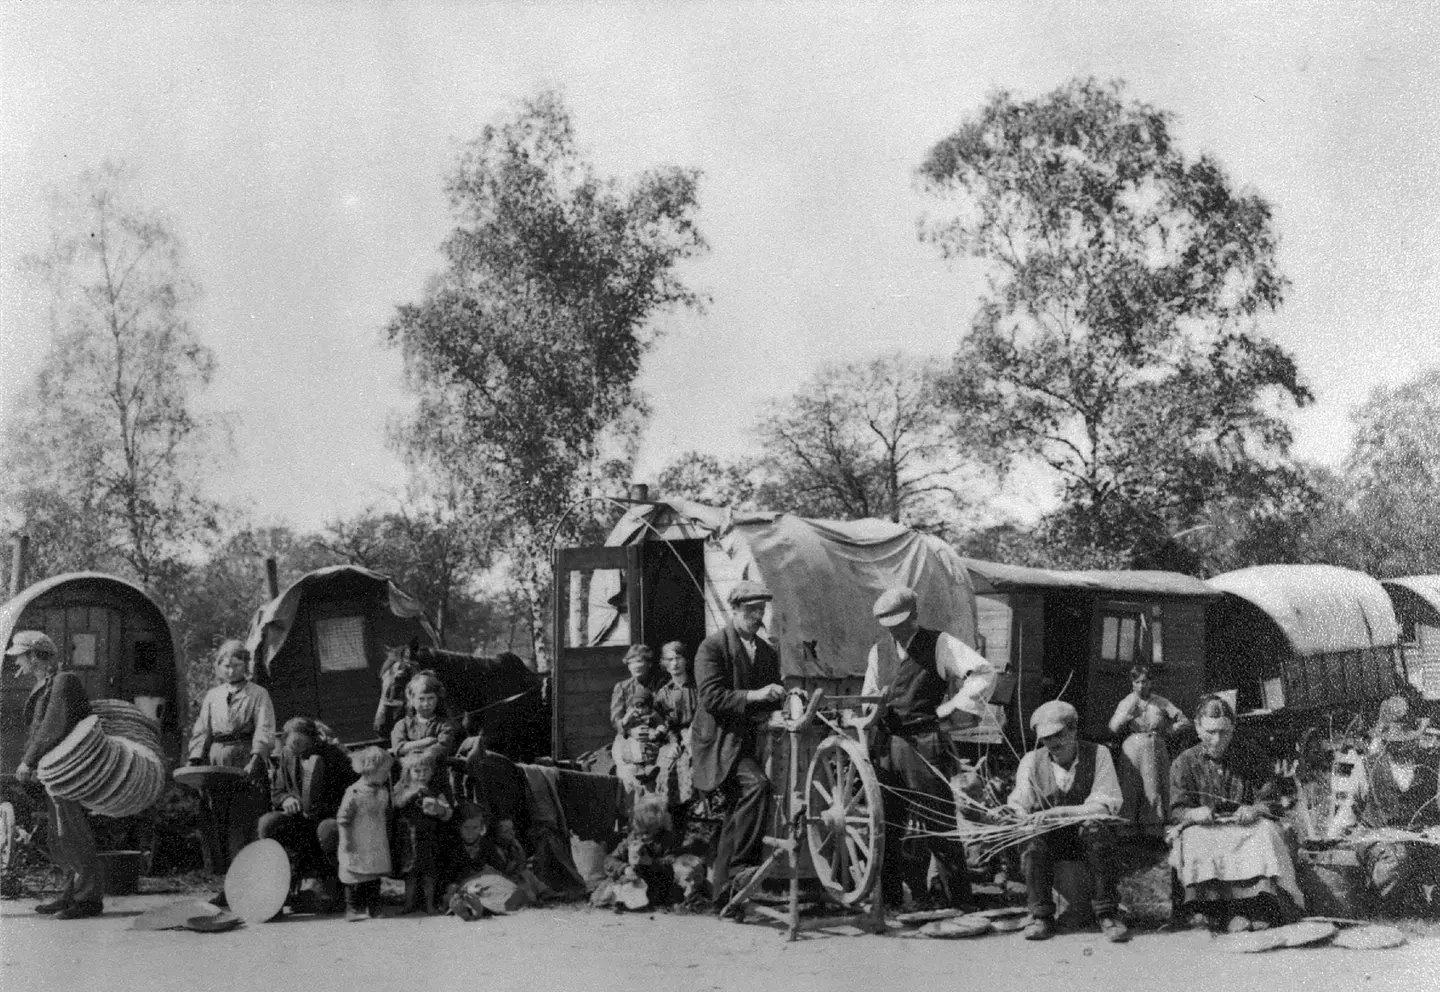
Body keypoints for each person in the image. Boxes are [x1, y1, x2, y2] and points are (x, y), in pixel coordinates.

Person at [863, 586, 995, 908]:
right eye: (889, 624)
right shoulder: (877, 652)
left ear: (915, 616)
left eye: (900, 622)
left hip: (923, 744)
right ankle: (891, 901)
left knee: (939, 823)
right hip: (884, 745)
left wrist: (952, 707)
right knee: (887, 826)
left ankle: (959, 902)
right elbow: (868, 698)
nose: (895, 629)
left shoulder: (940, 644)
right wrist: (872, 712)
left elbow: (983, 673)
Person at [1168, 695, 1302, 932]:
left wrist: (1255, 808)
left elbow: (1271, 801)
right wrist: (1194, 812)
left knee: (1265, 834)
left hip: (1246, 825)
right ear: (1198, 728)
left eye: (1224, 732)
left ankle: (1255, 907)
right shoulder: (1184, 762)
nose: (1217, 739)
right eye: (1210, 732)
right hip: (1205, 827)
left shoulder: (1252, 756)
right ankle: (1211, 911)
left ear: (1232, 729)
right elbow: (1177, 810)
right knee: (1195, 839)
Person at [693, 580, 785, 906]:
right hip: (719, 743)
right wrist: (755, 695)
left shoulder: (766, 651)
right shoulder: (712, 648)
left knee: (736, 814)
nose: (757, 616)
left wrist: (786, 697)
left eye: (761, 609)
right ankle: (742, 869)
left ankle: (725, 896)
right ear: (734, 611)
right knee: (755, 787)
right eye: (750, 610)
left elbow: (768, 698)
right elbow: (712, 697)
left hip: (748, 742)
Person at [1007, 700, 1129, 942]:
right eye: (1046, 738)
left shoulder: (1098, 754)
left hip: (1086, 836)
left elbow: (1104, 805)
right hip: (1050, 839)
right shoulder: (1031, 761)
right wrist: (1015, 814)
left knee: (1096, 830)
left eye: (1058, 735)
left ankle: (1107, 913)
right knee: (1031, 838)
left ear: (1073, 729)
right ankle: (1040, 915)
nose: (1053, 743)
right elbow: (1019, 802)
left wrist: (1060, 812)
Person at [9, 631, 103, 920]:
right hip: (54, 771)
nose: (17, 662)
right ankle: (69, 893)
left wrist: (28, 761)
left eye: (21, 656)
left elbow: (51, 727)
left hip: (68, 771)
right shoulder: (46, 684)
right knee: (58, 836)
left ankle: (88, 899)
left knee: (72, 833)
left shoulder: (63, 681)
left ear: (36, 655)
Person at [1343, 694, 1440, 915]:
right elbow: (1350, 808)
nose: (1402, 747)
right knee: (1395, 859)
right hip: (1377, 836)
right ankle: (1388, 906)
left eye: (1407, 740)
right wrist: (1336, 837)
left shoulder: (1431, 766)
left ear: (1415, 738)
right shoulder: (1367, 766)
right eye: (1395, 742)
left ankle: (1421, 902)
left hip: (1419, 838)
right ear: (1385, 741)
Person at [188, 639, 276, 877]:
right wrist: (196, 759)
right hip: (216, 762)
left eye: (236, 665)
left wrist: (256, 758)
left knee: (245, 821)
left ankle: (252, 882)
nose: (230, 670)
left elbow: (265, 728)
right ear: (218, 667)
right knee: (219, 821)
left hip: (244, 759)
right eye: (225, 666)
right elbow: (202, 730)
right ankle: (227, 884)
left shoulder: (258, 694)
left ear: (245, 665)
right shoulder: (212, 696)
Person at [256, 716, 357, 911]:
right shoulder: (287, 754)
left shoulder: (333, 756)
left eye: (300, 743)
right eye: (291, 743)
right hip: (299, 819)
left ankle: (340, 889)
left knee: (328, 830)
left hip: (327, 817)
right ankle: (278, 889)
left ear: (313, 740)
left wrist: (325, 807)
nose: (295, 748)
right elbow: (276, 791)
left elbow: (351, 792)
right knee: (268, 823)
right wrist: (286, 799)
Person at [1108, 664, 1191, 839]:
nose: (1141, 686)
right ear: (1132, 683)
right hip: (1133, 746)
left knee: (1154, 786)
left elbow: (1184, 720)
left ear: (1151, 682)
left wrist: (1169, 730)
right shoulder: (1127, 702)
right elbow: (1113, 727)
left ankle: (1152, 828)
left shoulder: (1161, 702)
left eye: (1145, 682)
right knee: (1130, 786)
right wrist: (1128, 716)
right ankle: (1127, 828)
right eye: (1137, 682)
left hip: (1155, 746)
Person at [392, 750, 456, 914]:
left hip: (430, 836)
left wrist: (440, 809)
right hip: (409, 837)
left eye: (425, 771)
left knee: (430, 872)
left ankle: (429, 905)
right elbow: (396, 803)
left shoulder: (434, 789)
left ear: (432, 771)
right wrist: (411, 793)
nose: (421, 775)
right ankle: (408, 904)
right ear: (408, 772)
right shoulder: (402, 787)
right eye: (417, 771)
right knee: (410, 873)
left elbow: (448, 813)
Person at [336, 746, 394, 921]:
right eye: (384, 771)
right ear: (370, 769)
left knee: (373, 874)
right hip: (357, 839)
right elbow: (343, 818)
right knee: (354, 873)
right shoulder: (355, 792)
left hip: (375, 839)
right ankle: (352, 908)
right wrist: (345, 839)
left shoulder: (383, 791)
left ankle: (374, 907)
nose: (387, 775)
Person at [654, 640, 698, 812]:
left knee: (691, 763)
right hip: (673, 738)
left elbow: (703, 715)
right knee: (667, 763)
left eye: (678, 658)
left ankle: (696, 808)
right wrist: (673, 742)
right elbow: (664, 723)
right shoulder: (663, 693)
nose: (674, 663)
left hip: (697, 735)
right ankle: (671, 813)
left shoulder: (698, 687)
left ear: (686, 660)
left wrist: (691, 735)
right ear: (665, 663)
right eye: (669, 659)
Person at [388, 669, 461, 762]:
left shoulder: (445, 725)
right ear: (412, 700)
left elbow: (443, 747)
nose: (426, 704)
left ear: (437, 699)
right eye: (421, 699)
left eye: (431, 698)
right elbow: (398, 749)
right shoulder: (402, 724)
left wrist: (410, 748)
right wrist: (427, 741)